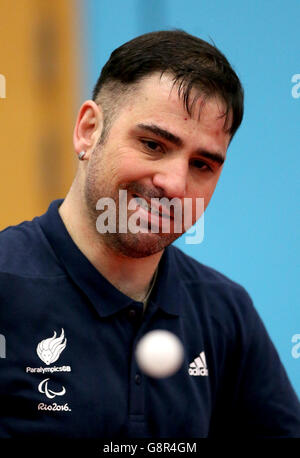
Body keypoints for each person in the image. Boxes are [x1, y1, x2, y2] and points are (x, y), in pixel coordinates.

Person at [0, 29, 299, 439]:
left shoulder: (226, 313)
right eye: (153, 145)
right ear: (88, 131)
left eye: (202, 165)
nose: (175, 184)